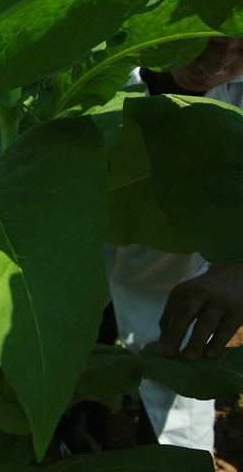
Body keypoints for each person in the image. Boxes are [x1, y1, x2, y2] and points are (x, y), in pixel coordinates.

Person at [104, 37, 243, 454]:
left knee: (175, 365)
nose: (214, 64)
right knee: (73, 359)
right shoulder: (102, 66)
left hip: (180, 264)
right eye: (208, 36)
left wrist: (237, 266)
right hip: (80, 249)